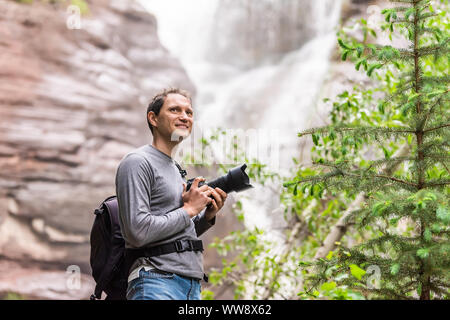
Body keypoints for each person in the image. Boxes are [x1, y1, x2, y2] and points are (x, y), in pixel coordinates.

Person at [115, 88, 227, 300]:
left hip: (190, 286)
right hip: (156, 281)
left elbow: (174, 233)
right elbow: (137, 232)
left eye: (189, 112)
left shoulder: (175, 169)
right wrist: (189, 209)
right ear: (153, 118)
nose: (184, 116)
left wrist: (206, 216)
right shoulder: (137, 162)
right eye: (175, 110)